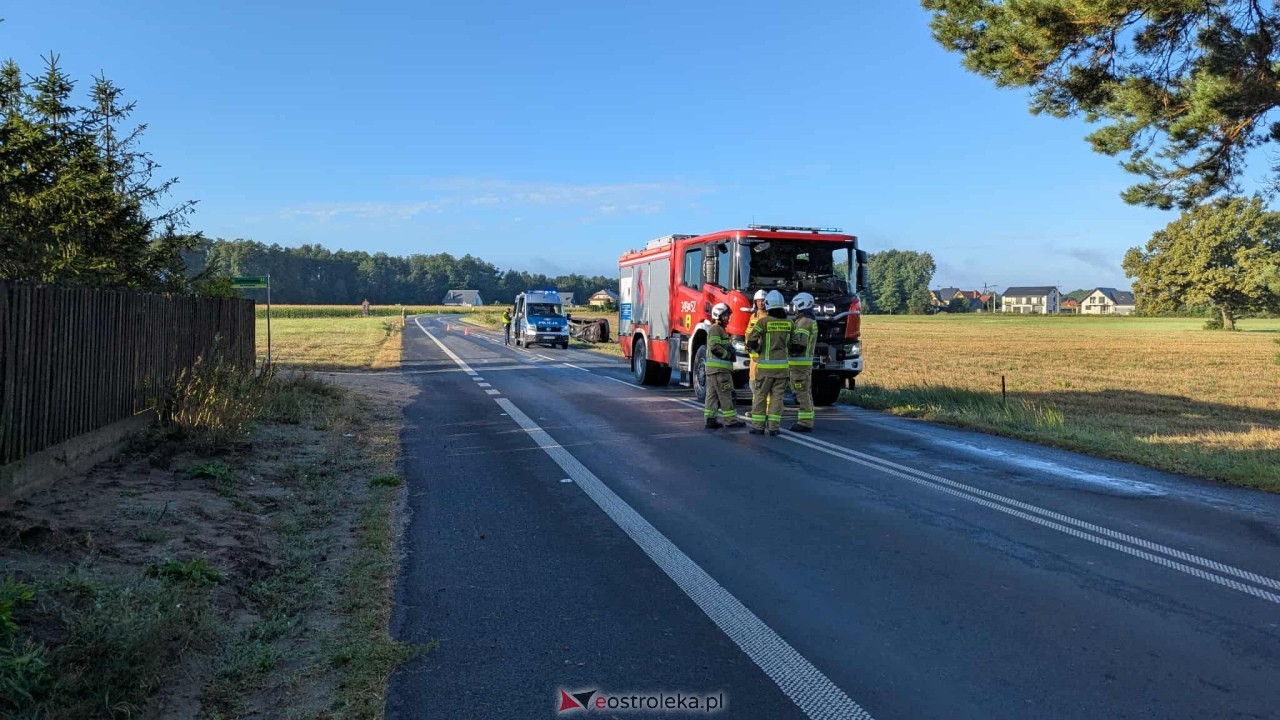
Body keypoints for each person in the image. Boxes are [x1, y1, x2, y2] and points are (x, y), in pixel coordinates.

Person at [746, 290, 792, 436]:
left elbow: (751, 340)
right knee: (777, 398)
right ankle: (774, 427)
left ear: (768, 304)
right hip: (782, 369)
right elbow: (796, 343)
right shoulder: (789, 323)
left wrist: (756, 349)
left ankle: (759, 427)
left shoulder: (763, 322)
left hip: (765, 369)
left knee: (760, 396)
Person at [704, 302, 743, 430]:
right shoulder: (716, 329)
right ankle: (731, 420)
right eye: (725, 315)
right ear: (718, 315)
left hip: (713, 370)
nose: (728, 318)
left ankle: (710, 420)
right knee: (726, 395)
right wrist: (728, 355)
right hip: (720, 370)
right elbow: (714, 347)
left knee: (712, 395)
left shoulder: (719, 329)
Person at [788, 292, 818, 433]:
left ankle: (805, 422)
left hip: (800, 365)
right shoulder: (808, 320)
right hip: (802, 365)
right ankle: (806, 420)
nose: (794, 309)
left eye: (795, 306)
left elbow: (799, 345)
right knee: (804, 392)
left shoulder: (804, 322)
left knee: (802, 393)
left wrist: (785, 345)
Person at [745, 288, 769, 407]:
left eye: (763, 301)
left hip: (764, 356)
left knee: (765, 384)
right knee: (753, 383)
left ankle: (767, 410)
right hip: (753, 358)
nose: (760, 303)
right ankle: (757, 409)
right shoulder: (753, 317)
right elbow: (748, 333)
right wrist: (748, 347)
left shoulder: (769, 317)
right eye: (758, 301)